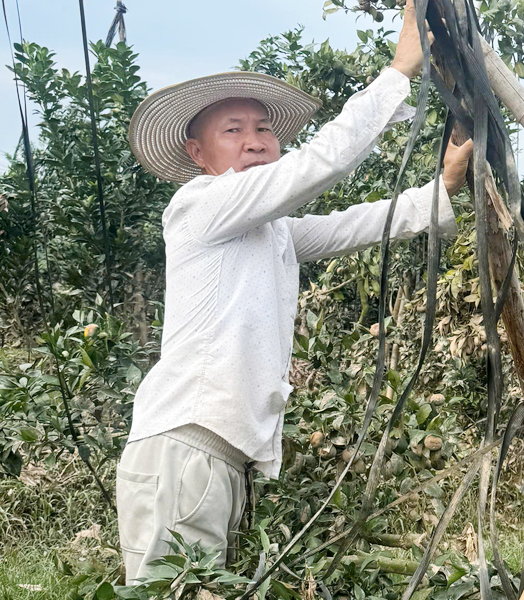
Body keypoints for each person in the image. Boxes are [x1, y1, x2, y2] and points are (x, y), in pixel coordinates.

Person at [119, 0, 471, 583]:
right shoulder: (201, 205)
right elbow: (320, 164)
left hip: (212, 456)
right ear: (196, 154)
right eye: (232, 131)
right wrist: (399, 71)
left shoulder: (265, 229)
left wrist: (444, 187)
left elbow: (353, 226)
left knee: (198, 590)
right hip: (184, 450)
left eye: (263, 129)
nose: (255, 140)